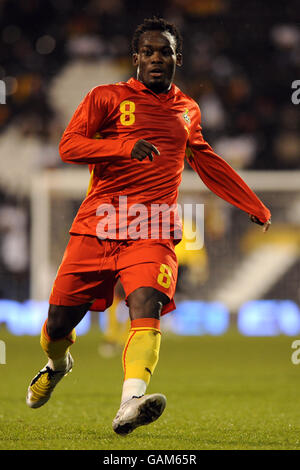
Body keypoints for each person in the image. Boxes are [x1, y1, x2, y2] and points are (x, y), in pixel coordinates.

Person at [26, 17, 271, 435]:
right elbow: (69, 145)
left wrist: (252, 203)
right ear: (136, 56)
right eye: (149, 51)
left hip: (153, 227)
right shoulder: (105, 97)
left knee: (147, 306)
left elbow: (206, 160)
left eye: (165, 52)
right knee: (58, 324)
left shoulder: (187, 109)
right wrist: (122, 146)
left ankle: (130, 402)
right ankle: (57, 363)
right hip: (98, 223)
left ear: (178, 58)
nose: (157, 58)